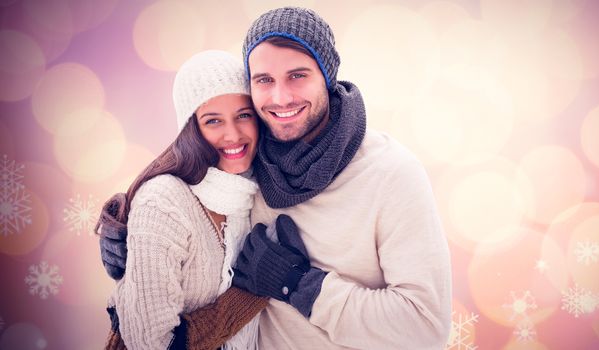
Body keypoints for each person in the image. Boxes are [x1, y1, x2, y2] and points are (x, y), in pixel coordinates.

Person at [100, 7, 452, 349]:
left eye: (298, 75)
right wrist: (132, 235)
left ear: (327, 76)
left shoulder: (391, 173)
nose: (280, 98)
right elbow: (185, 194)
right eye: (264, 80)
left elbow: (425, 325)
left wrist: (298, 284)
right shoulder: (252, 155)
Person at [99, 50, 269, 350]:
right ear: (191, 129)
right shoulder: (164, 200)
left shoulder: (249, 192)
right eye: (213, 120)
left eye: (244, 115)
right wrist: (250, 292)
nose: (233, 134)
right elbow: (153, 344)